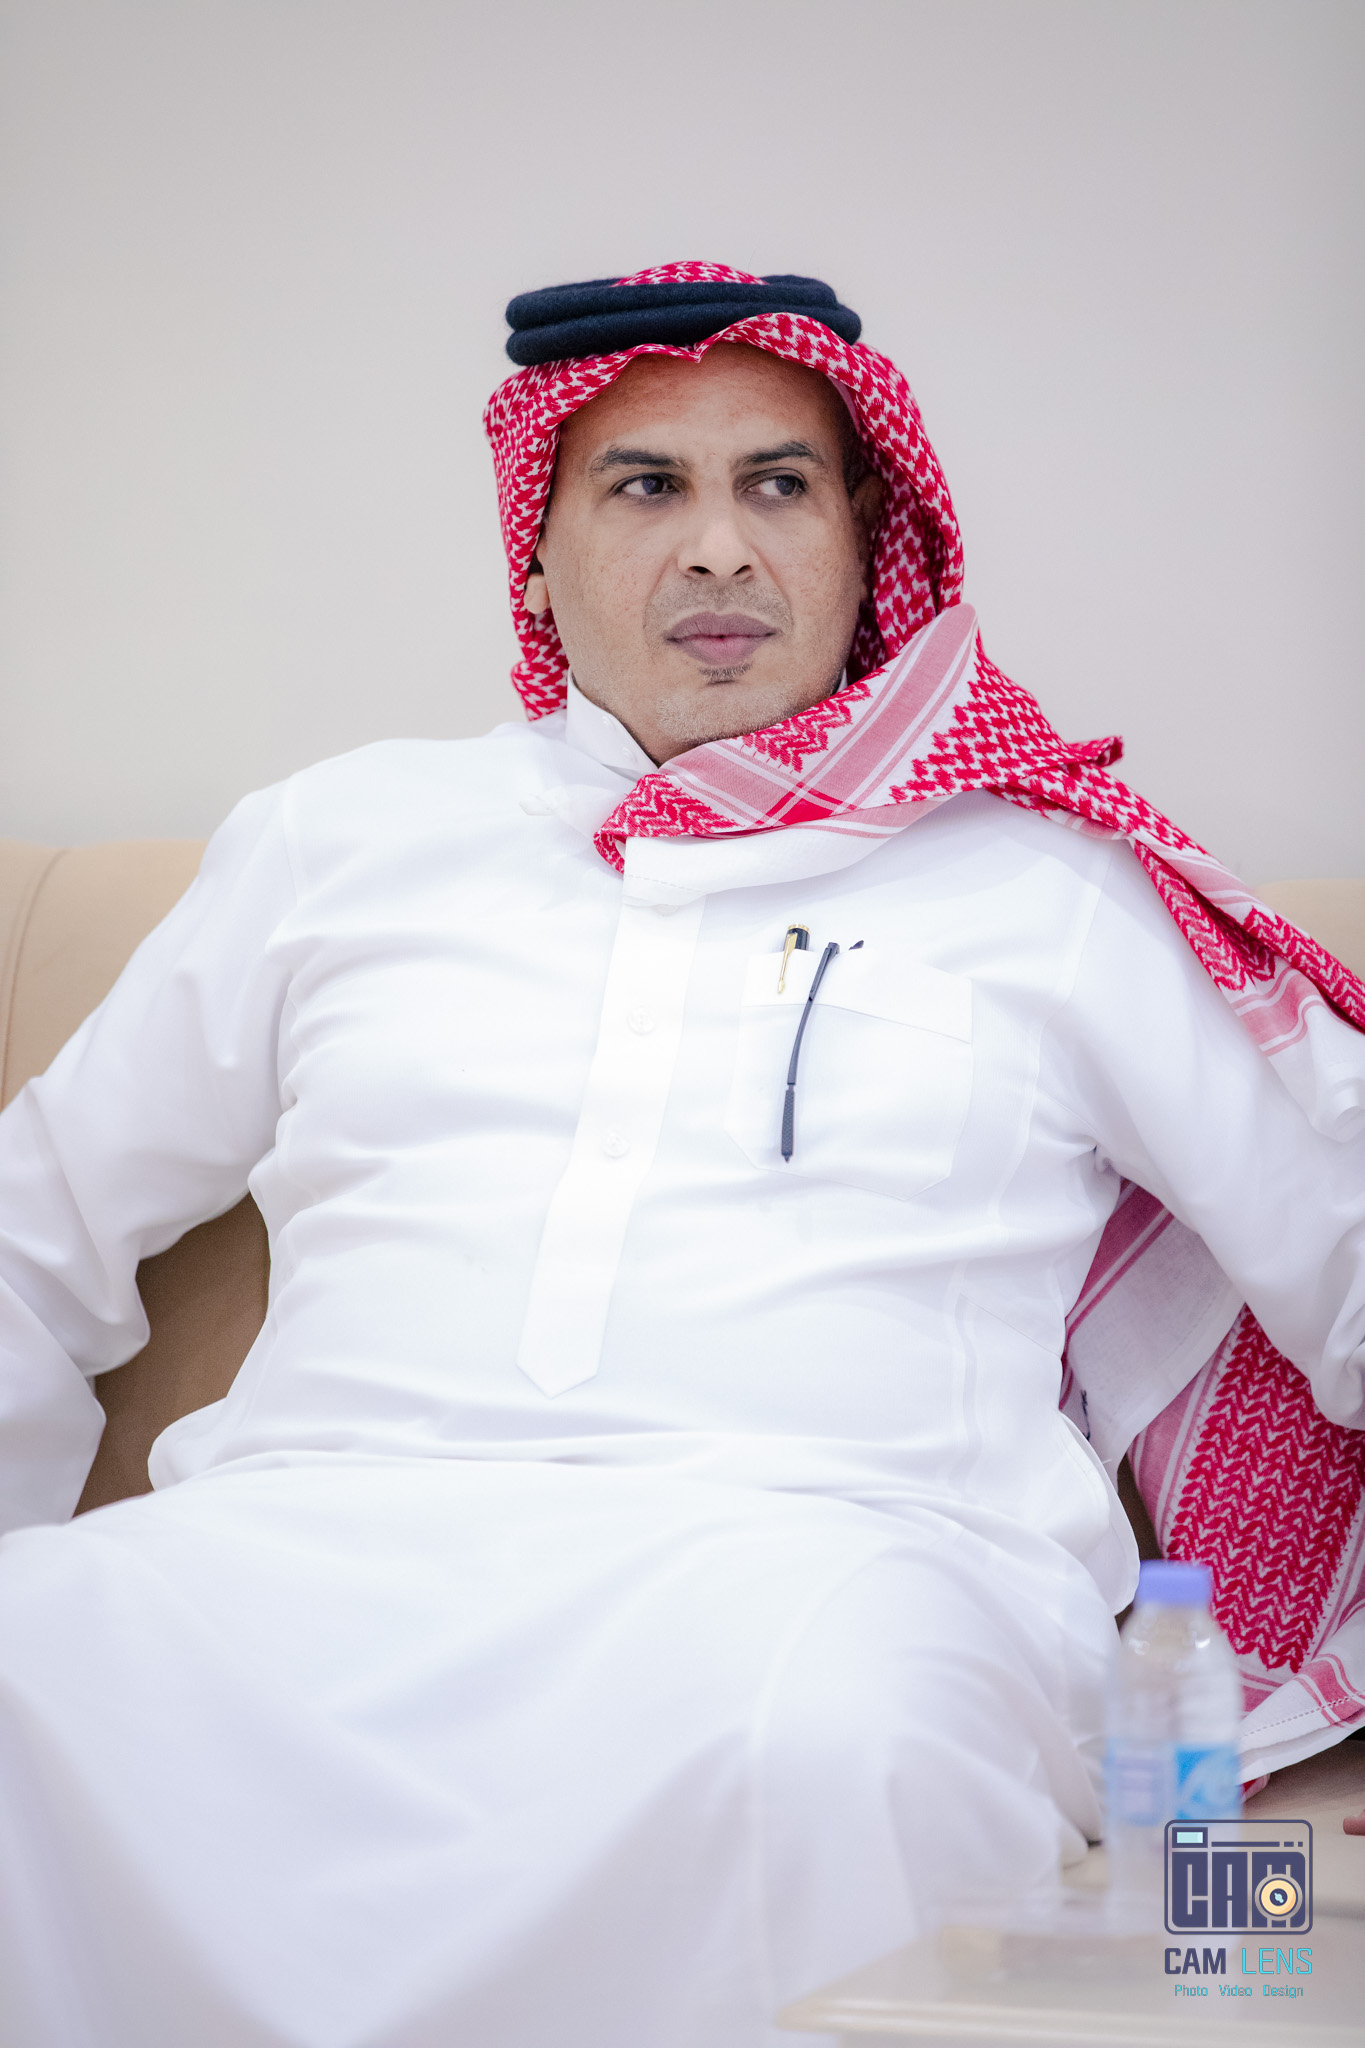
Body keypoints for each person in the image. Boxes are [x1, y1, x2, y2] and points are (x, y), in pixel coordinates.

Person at [0, 262, 1361, 2048]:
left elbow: (1341, 1241)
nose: (718, 547)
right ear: (538, 552)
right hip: (299, 1548)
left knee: (833, 1741)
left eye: (775, 485)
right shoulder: (342, 839)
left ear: (863, 540)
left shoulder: (1047, 887)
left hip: (833, 1568)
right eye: (645, 486)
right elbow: (36, 1232)